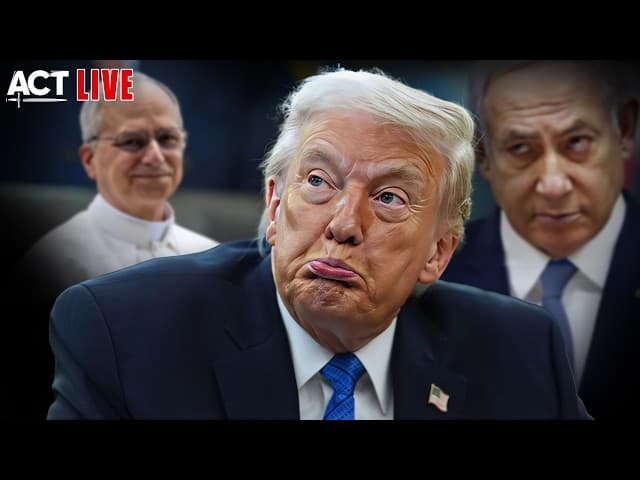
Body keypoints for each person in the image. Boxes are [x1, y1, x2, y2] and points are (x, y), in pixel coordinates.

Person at [47, 68, 588, 419]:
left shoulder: (520, 351)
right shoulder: (124, 332)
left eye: (390, 197)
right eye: (318, 181)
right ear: (274, 205)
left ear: (438, 252)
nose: (344, 225)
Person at [442, 61, 640, 419]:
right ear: (483, 156)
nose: (553, 185)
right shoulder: (430, 277)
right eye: (520, 148)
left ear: (624, 130)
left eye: (577, 142)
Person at [20, 71, 219, 303]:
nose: (155, 156)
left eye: (167, 138)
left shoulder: (211, 257)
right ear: (89, 159)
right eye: (133, 141)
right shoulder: (51, 263)